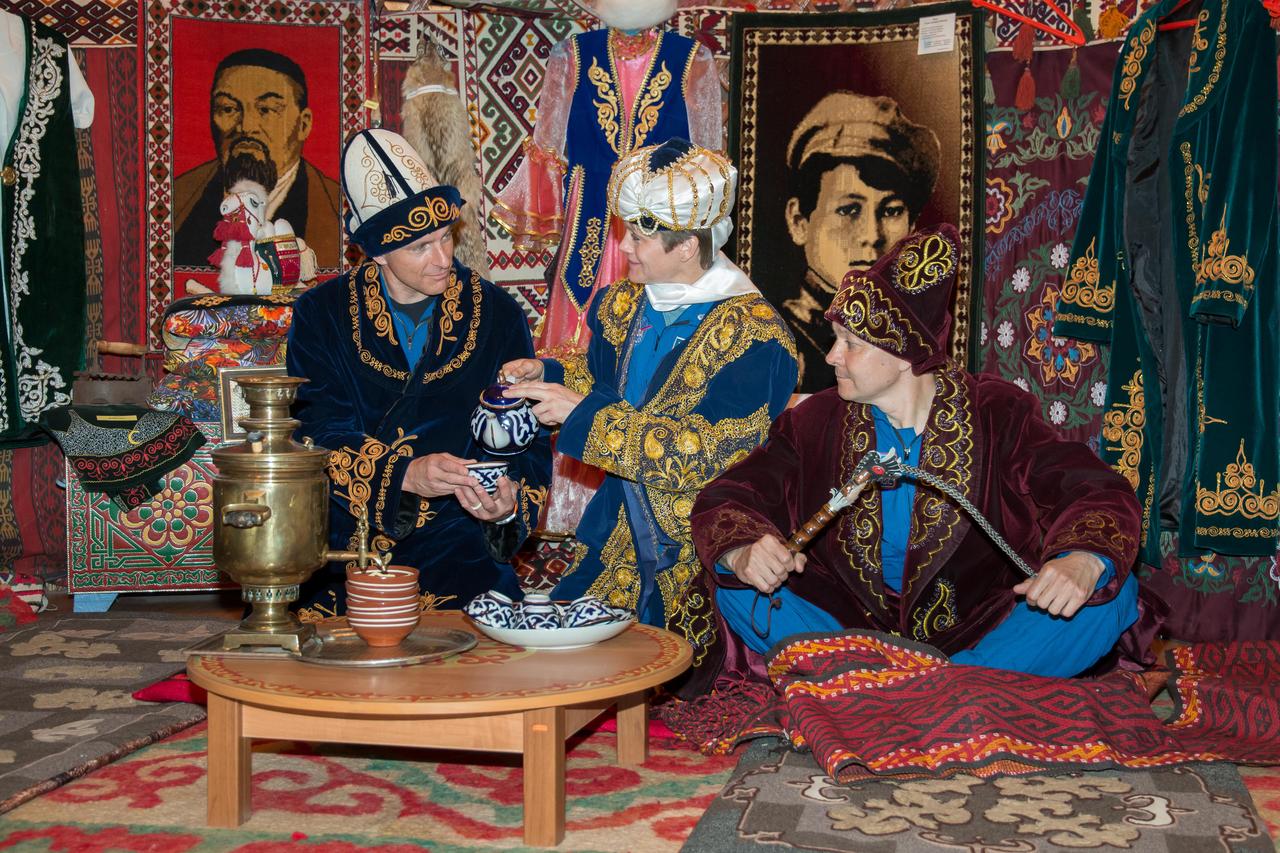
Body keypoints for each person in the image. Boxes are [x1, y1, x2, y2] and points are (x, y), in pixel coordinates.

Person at [682, 223, 1147, 694]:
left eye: (851, 344)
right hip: (846, 628)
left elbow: (1095, 490)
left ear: (904, 355)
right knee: (729, 578)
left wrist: (1081, 561)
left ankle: (900, 690)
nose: (831, 356)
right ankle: (949, 694)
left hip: (980, 629)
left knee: (1112, 589)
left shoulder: (997, 412)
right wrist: (745, 549)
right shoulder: (813, 422)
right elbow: (730, 495)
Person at [502, 138, 797, 645]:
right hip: (614, 517)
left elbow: (704, 456)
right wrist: (547, 372)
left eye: (639, 237)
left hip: (697, 547)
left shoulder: (756, 338)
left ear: (686, 245)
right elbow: (602, 382)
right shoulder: (623, 306)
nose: (623, 248)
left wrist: (584, 416)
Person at [287, 128, 551, 618]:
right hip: (348, 546)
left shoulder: (496, 314)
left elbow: (525, 439)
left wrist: (508, 506)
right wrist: (403, 474)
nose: (443, 259)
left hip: (461, 542)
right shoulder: (320, 314)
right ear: (377, 252)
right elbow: (312, 434)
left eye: (446, 238)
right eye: (420, 248)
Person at [782, 92, 940, 392]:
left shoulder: (917, 339)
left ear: (912, 226)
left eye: (892, 211)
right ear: (799, 221)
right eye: (848, 210)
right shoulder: (780, 345)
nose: (872, 235)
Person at [174, 48, 342, 269]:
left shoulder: (338, 209)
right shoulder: (176, 198)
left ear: (303, 124)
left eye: (268, 109)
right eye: (228, 108)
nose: (246, 127)